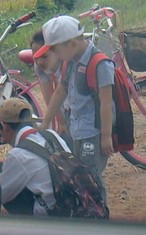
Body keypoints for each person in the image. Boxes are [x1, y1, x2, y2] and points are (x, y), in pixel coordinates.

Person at [35, 15, 115, 204]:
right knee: (78, 172)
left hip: (92, 133)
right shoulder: (70, 62)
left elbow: (106, 103)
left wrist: (106, 136)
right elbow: (61, 91)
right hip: (76, 129)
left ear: (71, 44)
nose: (54, 54)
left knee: (92, 176)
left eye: (55, 49)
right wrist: (47, 121)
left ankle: (99, 212)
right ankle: (86, 208)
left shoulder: (100, 64)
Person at [0, 98, 71, 215]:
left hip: (54, 215)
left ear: (5, 127)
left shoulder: (18, 155)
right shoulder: (52, 135)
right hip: (73, 201)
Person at [30, 29, 70, 144]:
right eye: (35, 57)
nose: (40, 62)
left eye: (44, 56)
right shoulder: (38, 67)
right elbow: (50, 99)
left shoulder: (68, 63)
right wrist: (61, 122)